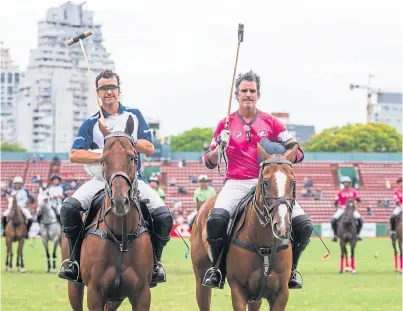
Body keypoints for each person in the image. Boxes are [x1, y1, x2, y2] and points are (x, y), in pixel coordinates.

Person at [57, 69, 173, 287]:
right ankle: (73, 261)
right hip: (100, 180)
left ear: (118, 90)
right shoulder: (91, 123)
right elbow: (74, 154)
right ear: (98, 93)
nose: (108, 92)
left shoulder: (134, 115)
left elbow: (148, 147)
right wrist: (106, 152)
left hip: (132, 180)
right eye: (103, 88)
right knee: (69, 209)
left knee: (164, 216)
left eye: (112, 87)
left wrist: (123, 139)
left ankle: (155, 264)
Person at [201, 70, 312, 289]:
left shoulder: (272, 123)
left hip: (269, 183)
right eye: (244, 90)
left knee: (303, 224)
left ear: (258, 95)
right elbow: (209, 161)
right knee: (216, 220)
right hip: (237, 182)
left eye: (252, 91)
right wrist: (219, 147)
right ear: (237, 95)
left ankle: (292, 270)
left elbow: (297, 151)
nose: (248, 94)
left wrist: (290, 155)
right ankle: (218, 269)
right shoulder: (225, 123)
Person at [331, 176, 364, 242]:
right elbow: (336, 202)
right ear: (343, 183)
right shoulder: (340, 192)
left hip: (351, 209)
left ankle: (357, 234)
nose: (345, 184)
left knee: (360, 220)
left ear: (349, 183)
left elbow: (359, 200)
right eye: (344, 183)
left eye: (347, 183)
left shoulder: (354, 191)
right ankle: (335, 235)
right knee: (333, 220)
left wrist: (357, 208)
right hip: (342, 208)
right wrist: (338, 207)